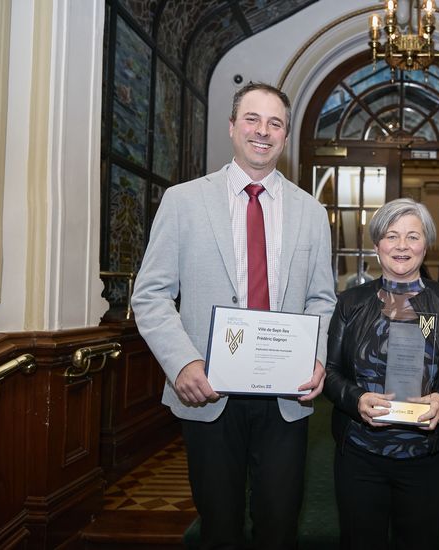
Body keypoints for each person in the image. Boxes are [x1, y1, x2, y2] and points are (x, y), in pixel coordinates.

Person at [131, 82, 336, 549]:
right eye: (252, 119)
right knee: (218, 527)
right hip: (208, 391)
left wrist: (317, 357)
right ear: (231, 126)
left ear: (285, 136)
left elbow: (322, 299)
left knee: (279, 525)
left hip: (285, 394)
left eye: (275, 123)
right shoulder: (183, 201)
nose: (263, 131)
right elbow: (151, 295)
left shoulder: (311, 212)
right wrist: (182, 362)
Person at [323, 198, 439, 550]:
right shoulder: (350, 303)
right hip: (360, 453)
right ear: (377, 244)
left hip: (427, 455)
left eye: (413, 236)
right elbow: (330, 372)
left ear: (427, 244)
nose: (402, 246)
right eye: (392, 236)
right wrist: (357, 399)